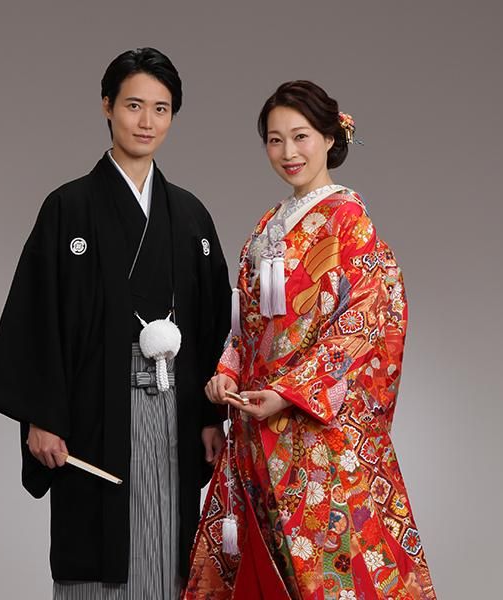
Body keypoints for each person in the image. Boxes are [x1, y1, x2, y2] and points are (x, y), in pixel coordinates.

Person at [0, 47, 231, 599]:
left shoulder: (190, 215)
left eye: (161, 109)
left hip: (177, 407)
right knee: (98, 554)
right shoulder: (68, 208)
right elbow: (37, 317)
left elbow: (214, 324)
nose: (146, 121)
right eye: (134, 105)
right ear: (107, 106)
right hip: (92, 411)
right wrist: (42, 416)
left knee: (169, 546)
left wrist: (212, 416)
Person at [184, 81, 436, 599]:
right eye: (275, 140)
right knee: (261, 563)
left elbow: (362, 321)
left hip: (312, 429)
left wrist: (289, 392)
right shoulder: (266, 225)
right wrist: (226, 374)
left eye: (300, 137)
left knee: (326, 571)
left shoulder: (348, 219)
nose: (288, 152)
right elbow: (244, 324)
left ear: (329, 137)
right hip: (257, 423)